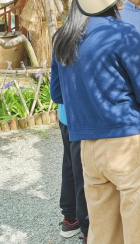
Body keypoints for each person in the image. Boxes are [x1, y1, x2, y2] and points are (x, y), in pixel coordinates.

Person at [51, 0, 140, 244]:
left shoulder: (63, 37)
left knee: (104, 234)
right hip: (131, 144)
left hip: (88, 148)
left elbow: (58, 94)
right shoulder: (122, 32)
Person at [58, 103, 89, 243]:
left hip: (66, 115)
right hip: (84, 119)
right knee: (84, 173)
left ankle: (70, 218)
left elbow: (56, 95)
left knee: (70, 165)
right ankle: (89, 230)